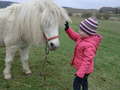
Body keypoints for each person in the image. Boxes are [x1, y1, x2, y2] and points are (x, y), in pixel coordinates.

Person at [64, 17, 102, 90]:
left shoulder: (89, 45)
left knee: (76, 84)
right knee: (84, 81)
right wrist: (68, 29)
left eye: (81, 30)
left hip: (84, 70)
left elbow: (87, 61)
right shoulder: (82, 38)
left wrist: (80, 73)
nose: (79, 31)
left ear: (88, 32)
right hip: (84, 70)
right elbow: (74, 36)